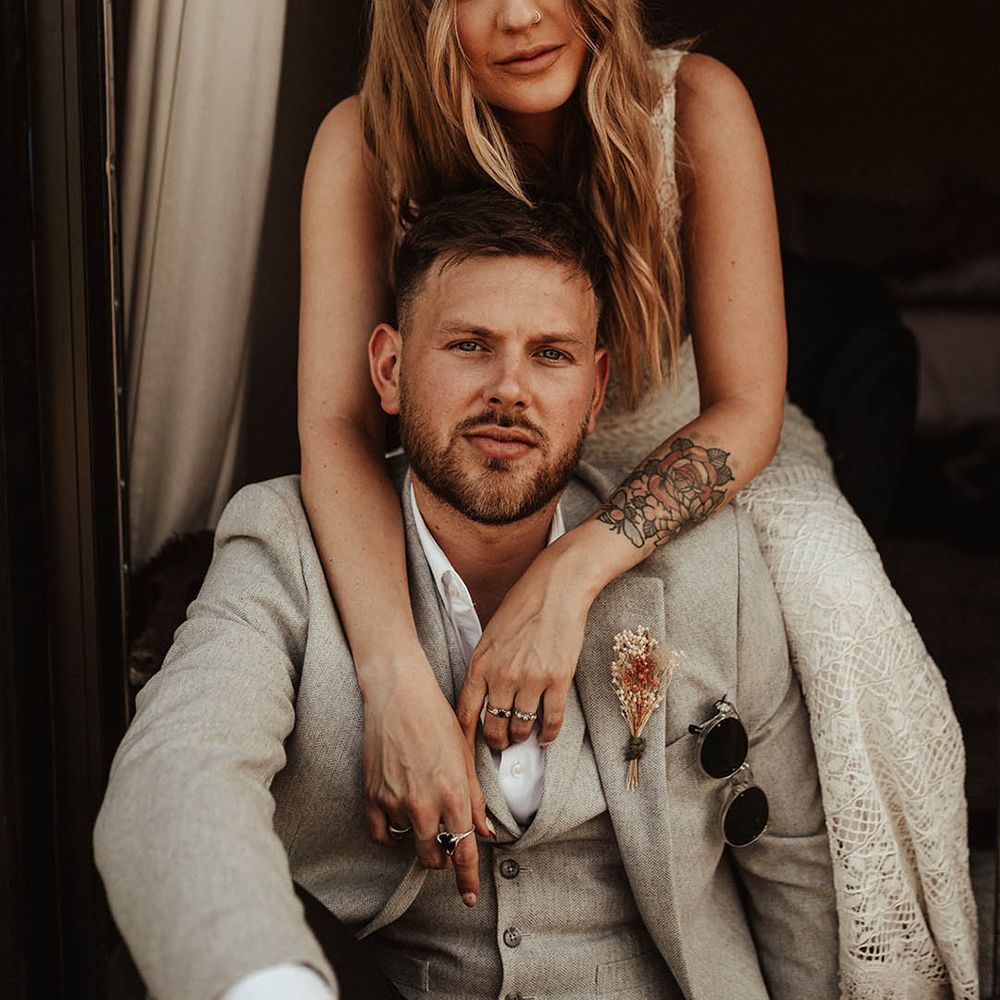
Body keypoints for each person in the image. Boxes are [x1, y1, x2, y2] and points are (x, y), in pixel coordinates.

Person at [297, 3, 978, 996]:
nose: (523, 14)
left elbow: (745, 408)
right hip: (488, 458)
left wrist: (567, 574)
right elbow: (335, 424)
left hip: (700, 438)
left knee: (833, 589)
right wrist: (393, 677)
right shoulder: (361, 140)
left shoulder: (697, 103)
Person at [95, 190, 838, 1000]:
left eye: (550, 354)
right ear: (390, 370)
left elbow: (795, 857)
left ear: (595, 392)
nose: (510, 389)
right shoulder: (285, 542)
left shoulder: (710, 561)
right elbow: (177, 777)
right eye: (470, 345)